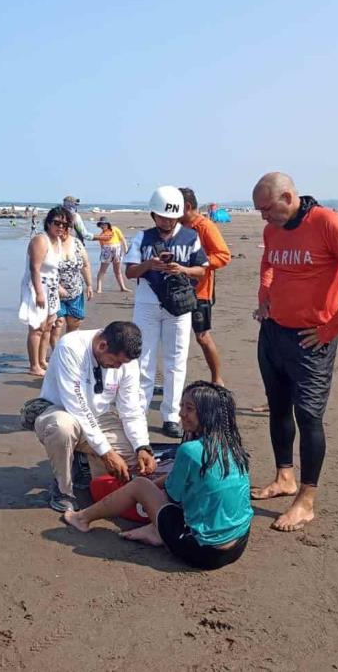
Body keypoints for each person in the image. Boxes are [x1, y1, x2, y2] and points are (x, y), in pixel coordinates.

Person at [250, 172, 338, 531]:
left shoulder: (328, 224)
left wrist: (329, 329)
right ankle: (284, 477)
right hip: (273, 333)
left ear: (288, 197)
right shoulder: (272, 229)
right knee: (278, 407)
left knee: (308, 418)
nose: (263, 217)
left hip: (311, 341)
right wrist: (265, 297)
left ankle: (306, 500)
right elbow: (269, 264)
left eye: (267, 209)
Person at [62, 381, 253, 570]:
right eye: (181, 406)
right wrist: (156, 484)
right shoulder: (234, 447)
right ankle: (156, 529)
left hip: (204, 552)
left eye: (189, 408)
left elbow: (171, 496)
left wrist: (142, 489)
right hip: (238, 544)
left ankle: (82, 518)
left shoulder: (190, 451)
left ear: (208, 414)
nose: (180, 414)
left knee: (140, 486)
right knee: (176, 486)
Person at [30, 321, 154, 512]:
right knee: (62, 428)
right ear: (102, 345)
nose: (118, 367)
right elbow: (77, 406)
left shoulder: (127, 362)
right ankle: (63, 489)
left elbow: (131, 408)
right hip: (61, 410)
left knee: (131, 459)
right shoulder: (70, 347)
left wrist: (142, 447)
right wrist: (106, 452)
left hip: (100, 417)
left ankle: (82, 462)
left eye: (123, 364)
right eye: (117, 362)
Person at [124, 185, 208, 438]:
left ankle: (172, 415)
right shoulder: (142, 237)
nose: (166, 221)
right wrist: (150, 264)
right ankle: (138, 411)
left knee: (176, 361)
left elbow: (202, 269)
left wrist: (181, 269)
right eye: (162, 217)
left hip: (178, 305)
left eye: (171, 217)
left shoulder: (191, 237)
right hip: (147, 302)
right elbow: (130, 272)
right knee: (143, 359)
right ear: (153, 215)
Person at [179, 187, 231, 386]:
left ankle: (217, 378)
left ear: (188, 206)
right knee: (177, 337)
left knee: (202, 336)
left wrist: (197, 263)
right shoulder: (177, 226)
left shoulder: (204, 226)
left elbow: (223, 255)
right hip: (178, 291)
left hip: (201, 292)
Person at [19, 206, 64, 376]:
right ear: (49, 223)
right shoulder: (40, 240)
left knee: (48, 326)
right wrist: (39, 293)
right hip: (37, 286)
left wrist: (58, 287)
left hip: (51, 287)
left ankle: (42, 360)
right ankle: (34, 365)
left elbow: (54, 270)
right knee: (36, 327)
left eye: (64, 225)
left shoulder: (57, 241)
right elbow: (34, 268)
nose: (60, 227)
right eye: (57, 223)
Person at [50, 219, 93, 345]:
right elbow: (43, 269)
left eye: (67, 227)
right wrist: (56, 286)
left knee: (74, 323)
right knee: (58, 323)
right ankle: (55, 354)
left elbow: (85, 265)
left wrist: (89, 285)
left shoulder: (77, 243)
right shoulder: (50, 243)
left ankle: (68, 351)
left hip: (75, 291)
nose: (63, 229)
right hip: (55, 293)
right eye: (60, 226)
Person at [92, 219, 129, 293]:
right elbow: (102, 246)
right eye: (101, 225)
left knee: (117, 271)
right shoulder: (101, 235)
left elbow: (122, 239)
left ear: (108, 224)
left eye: (104, 224)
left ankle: (122, 287)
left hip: (117, 250)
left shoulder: (115, 229)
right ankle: (99, 288)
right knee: (102, 270)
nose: (102, 226)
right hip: (107, 251)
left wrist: (126, 250)